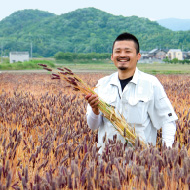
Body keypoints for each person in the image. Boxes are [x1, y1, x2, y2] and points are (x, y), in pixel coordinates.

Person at [85, 32, 178, 153]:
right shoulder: (102, 85)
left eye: (128, 51)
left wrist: (167, 153)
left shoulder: (150, 83)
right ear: (112, 56)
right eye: (118, 51)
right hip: (106, 162)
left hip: (141, 161)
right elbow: (93, 126)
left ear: (138, 56)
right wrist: (95, 110)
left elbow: (167, 121)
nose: (122, 55)